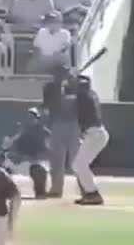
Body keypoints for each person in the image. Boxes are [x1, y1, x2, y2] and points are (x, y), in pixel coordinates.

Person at [41, 70, 81, 199]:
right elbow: (54, 103)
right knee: (57, 160)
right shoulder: (50, 88)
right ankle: (56, 189)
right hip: (58, 125)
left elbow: (78, 99)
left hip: (74, 125)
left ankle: (85, 187)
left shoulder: (76, 87)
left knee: (78, 160)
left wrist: (73, 81)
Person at [0, 108, 51, 199]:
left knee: (39, 169)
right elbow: (8, 148)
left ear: (38, 120)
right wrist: (15, 155)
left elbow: (48, 153)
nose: (30, 120)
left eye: (33, 118)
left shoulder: (44, 133)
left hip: (34, 163)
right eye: (28, 117)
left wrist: (30, 158)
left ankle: (40, 193)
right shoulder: (18, 130)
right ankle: (0, 192)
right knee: (0, 162)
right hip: (19, 162)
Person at [71, 75, 109, 205]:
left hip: (95, 135)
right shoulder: (90, 94)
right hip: (94, 134)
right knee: (78, 166)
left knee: (80, 165)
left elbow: (73, 99)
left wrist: (73, 81)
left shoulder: (84, 97)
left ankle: (93, 194)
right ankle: (89, 192)